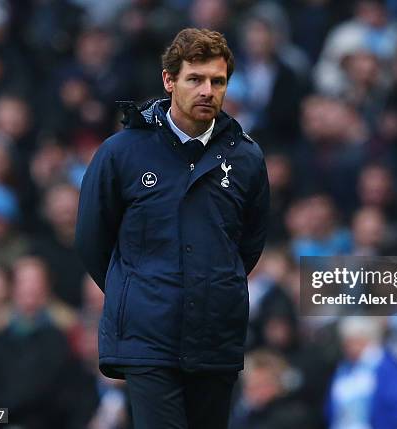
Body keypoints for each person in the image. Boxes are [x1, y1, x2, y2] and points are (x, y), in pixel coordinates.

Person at [75, 28, 270, 429]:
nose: (208, 91)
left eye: (218, 81)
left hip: (216, 337)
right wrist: (139, 290)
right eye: (195, 79)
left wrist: (216, 284)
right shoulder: (121, 152)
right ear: (169, 81)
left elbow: (249, 245)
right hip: (147, 338)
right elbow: (92, 240)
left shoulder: (247, 156)